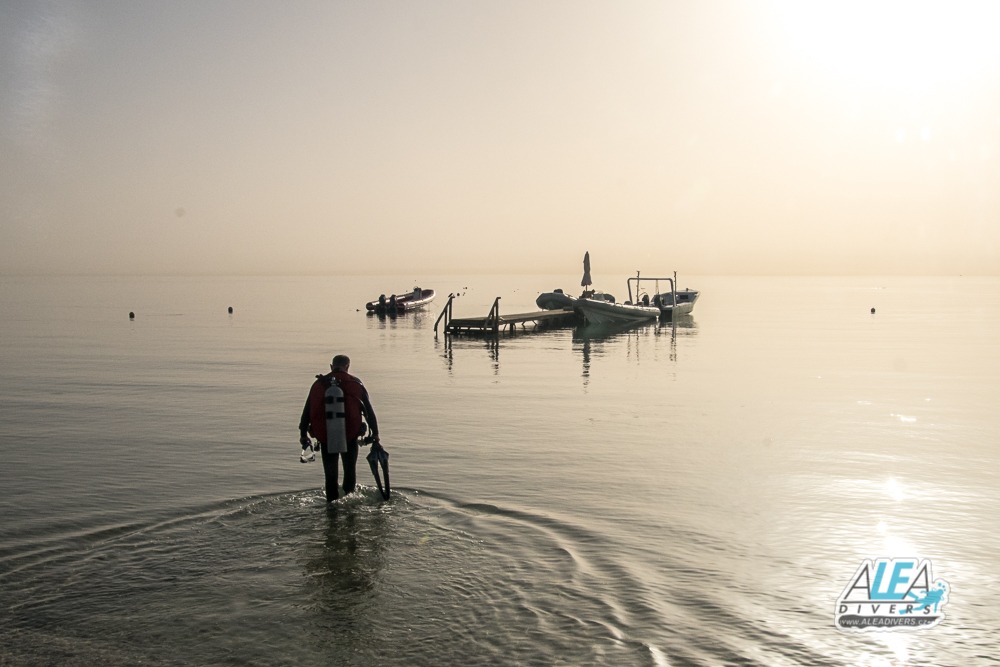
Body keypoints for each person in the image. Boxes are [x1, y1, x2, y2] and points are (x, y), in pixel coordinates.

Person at [299, 354, 380, 502]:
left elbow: (307, 412)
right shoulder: (355, 383)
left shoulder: (318, 384)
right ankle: (349, 508)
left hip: (326, 436)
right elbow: (369, 411)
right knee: (350, 472)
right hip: (350, 436)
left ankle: (331, 509)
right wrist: (375, 434)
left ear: (331, 366)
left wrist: (303, 434)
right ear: (348, 367)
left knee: (330, 476)